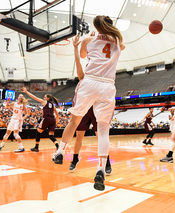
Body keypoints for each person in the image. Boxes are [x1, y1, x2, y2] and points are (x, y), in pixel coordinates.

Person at [52, 15, 125, 191]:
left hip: (90, 82)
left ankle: (60, 152)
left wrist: (78, 46)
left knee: (74, 121)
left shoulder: (88, 39)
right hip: (108, 86)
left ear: (96, 26)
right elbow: (118, 45)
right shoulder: (118, 42)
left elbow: (83, 56)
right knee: (103, 131)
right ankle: (100, 169)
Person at [69, 35, 112, 173]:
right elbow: (77, 60)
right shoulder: (83, 77)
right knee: (79, 136)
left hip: (96, 107)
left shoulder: (99, 78)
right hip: (84, 108)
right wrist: (77, 48)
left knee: (101, 135)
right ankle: (75, 159)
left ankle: (106, 162)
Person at [21, 87, 59, 152]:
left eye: (45, 97)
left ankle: (36, 147)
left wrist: (27, 92)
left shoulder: (44, 102)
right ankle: (58, 146)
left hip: (46, 118)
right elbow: (57, 115)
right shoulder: (53, 105)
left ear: (48, 98)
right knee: (51, 135)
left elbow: (34, 97)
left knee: (38, 132)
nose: (44, 98)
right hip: (53, 120)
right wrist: (56, 123)